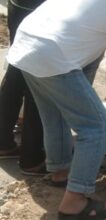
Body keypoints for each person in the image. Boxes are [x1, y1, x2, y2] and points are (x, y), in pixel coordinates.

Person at [6, 0, 106, 218]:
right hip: (51, 52)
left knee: (53, 115)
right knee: (97, 127)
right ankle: (74, 202)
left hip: (26, 43)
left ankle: (61, 171)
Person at [0, 0, 46, 175]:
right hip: (40, 11)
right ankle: (32, 158)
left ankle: (3, 142)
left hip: (20, 7)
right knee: (39, 80)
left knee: (17, 67)